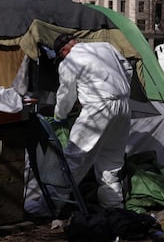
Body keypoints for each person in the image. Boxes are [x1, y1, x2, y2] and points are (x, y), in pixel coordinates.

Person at [52, 34, 133, 211]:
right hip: (124, 105)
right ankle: (113, 207)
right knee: (111, 161)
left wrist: (59, 116)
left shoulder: (69, 62)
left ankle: (51, 205)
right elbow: (128, 68)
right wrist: (119, 90)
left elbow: (66, 94)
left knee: (75, 157)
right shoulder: (105, 46)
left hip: (98, 107)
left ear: (64, 51)